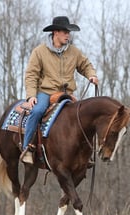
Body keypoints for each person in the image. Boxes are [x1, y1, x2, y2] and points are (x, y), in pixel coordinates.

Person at [20, 16, 99, 164]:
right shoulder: (39, 52)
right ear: (55, 32)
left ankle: (83, 153)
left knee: (82, 116)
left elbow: (85, 65)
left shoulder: (74, 52)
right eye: (65, 32)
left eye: (69, 32)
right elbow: (31, 75)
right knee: (37, 111)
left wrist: (92, 75)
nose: (68, 35)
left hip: (67, 94)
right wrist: (31, 96)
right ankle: (27, 149)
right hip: (46, 92)